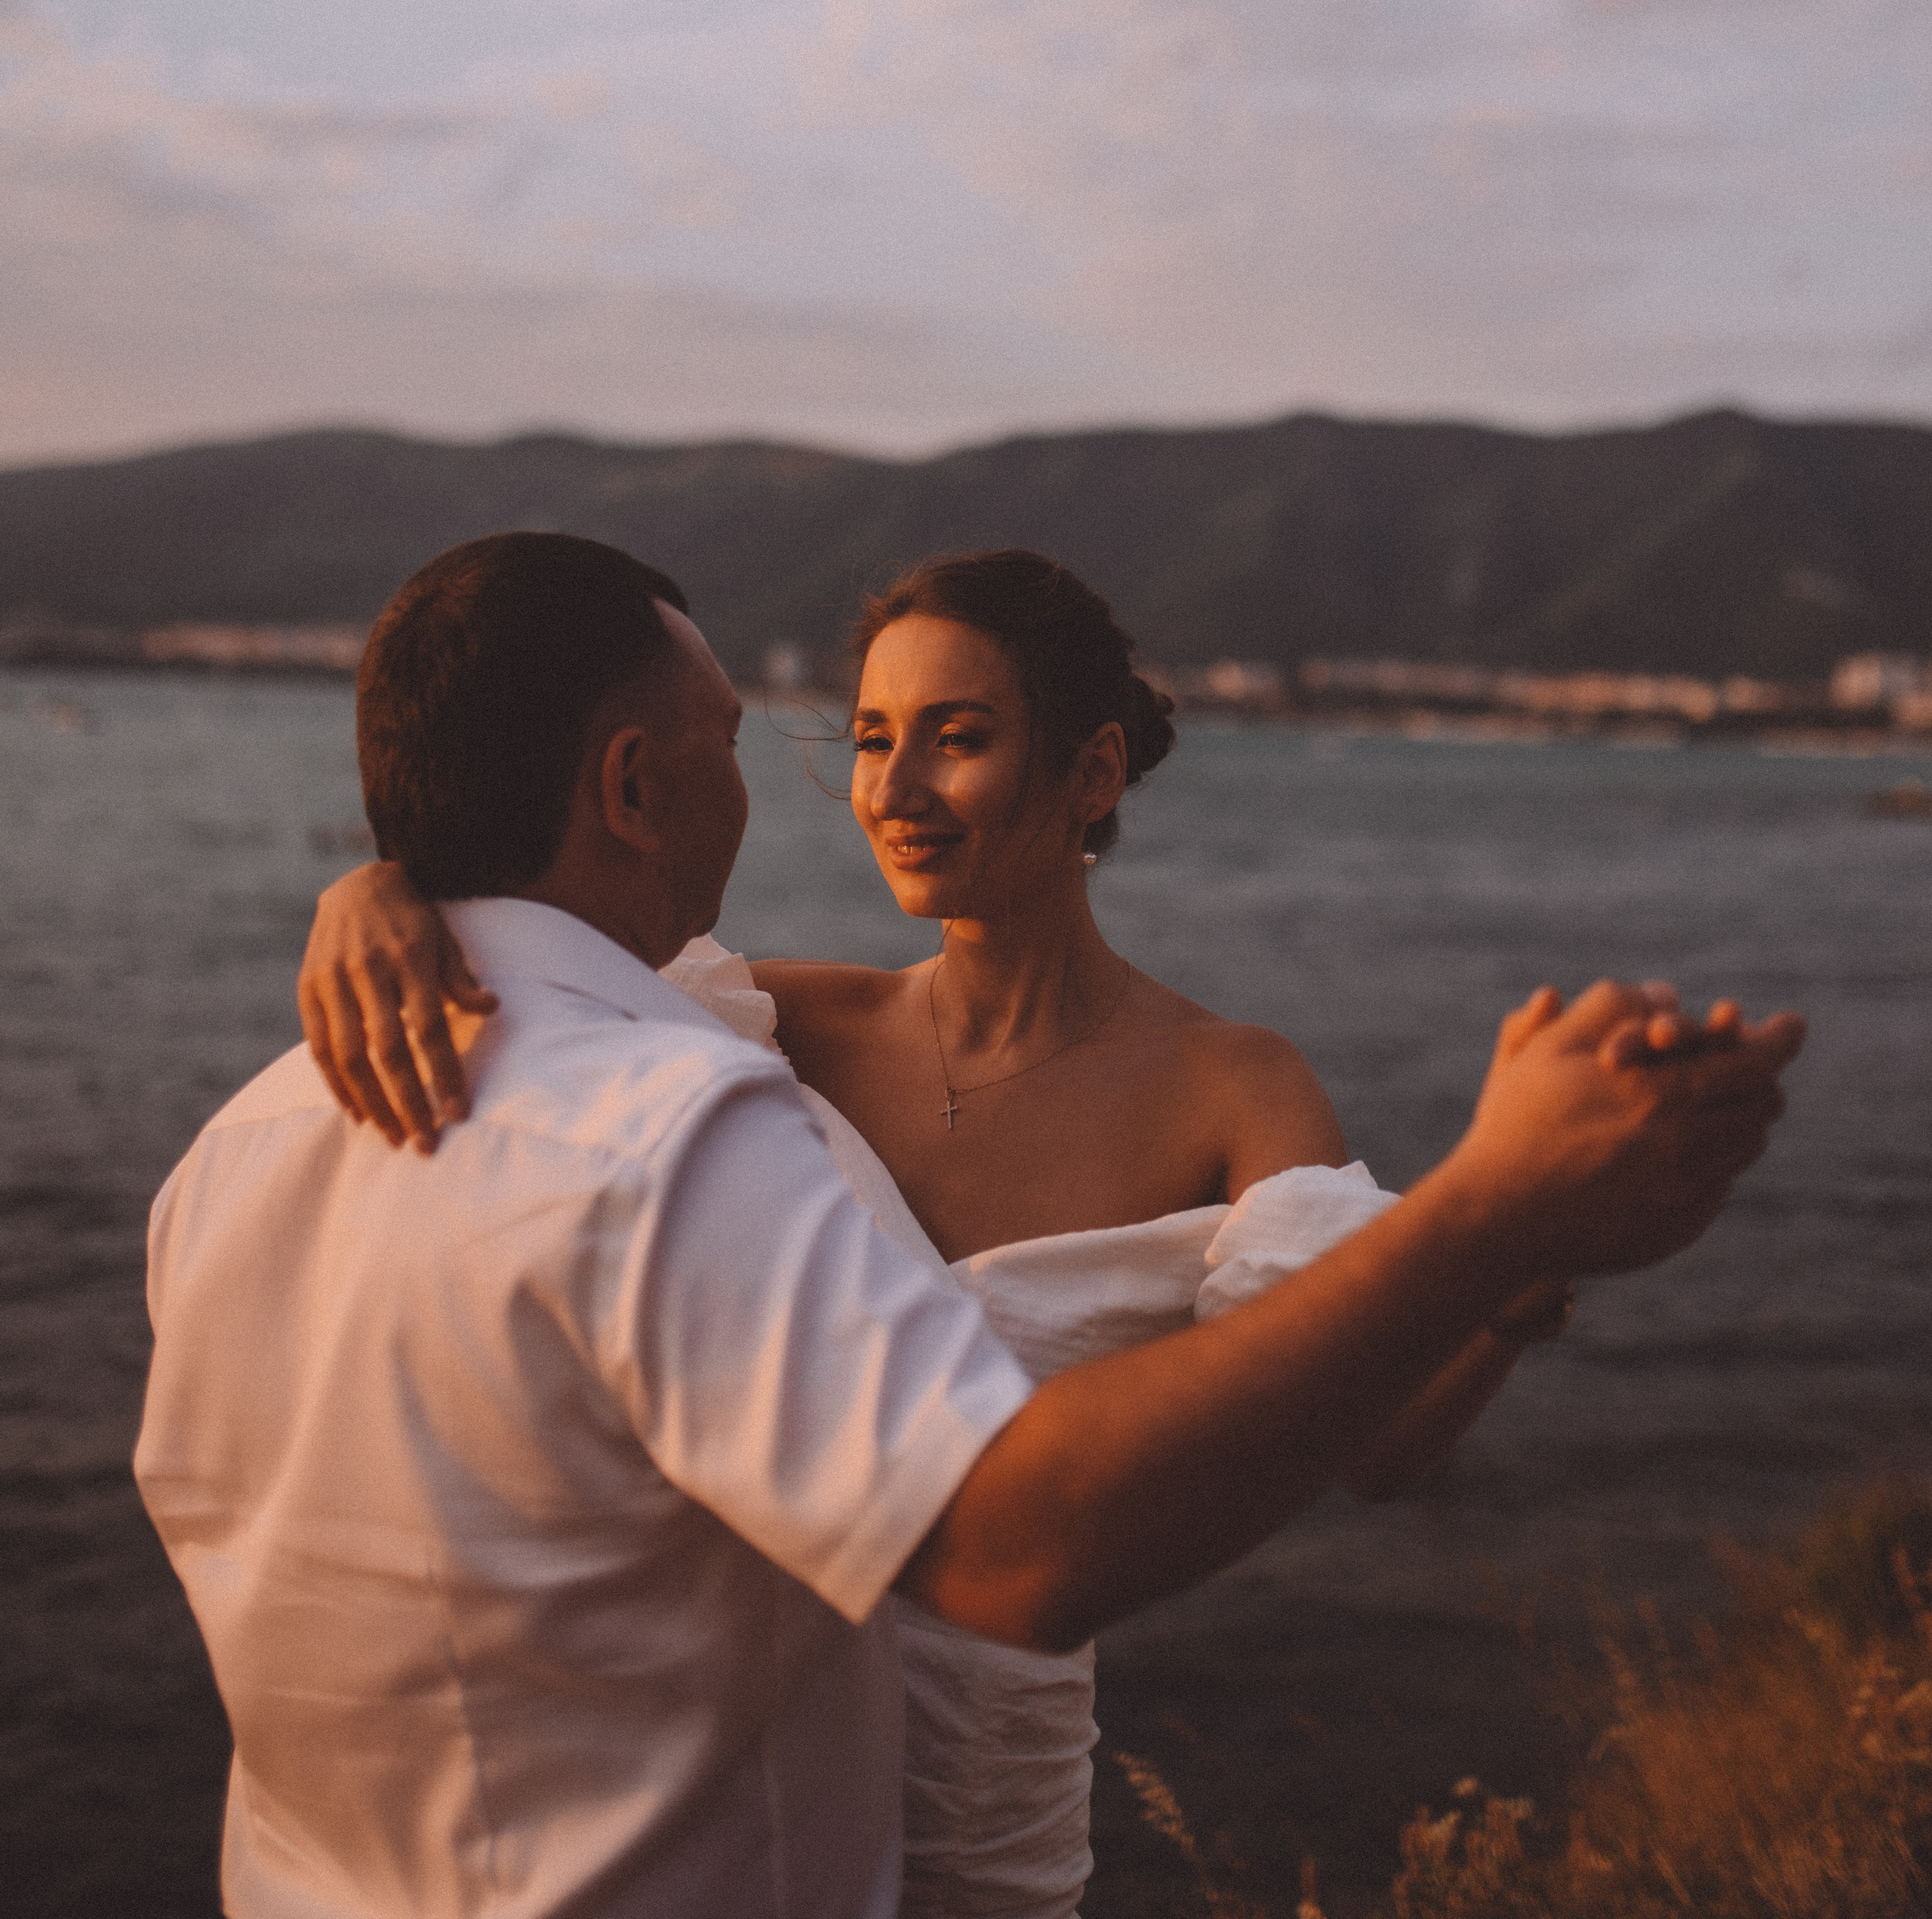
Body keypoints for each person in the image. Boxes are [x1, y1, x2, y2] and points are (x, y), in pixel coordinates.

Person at [297, 544, 1804, 1919]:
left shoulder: (1229, 1084)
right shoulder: (772, 1024)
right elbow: (542, 952)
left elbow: (1378, 1442)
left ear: (1090, 773)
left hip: (981, 1823)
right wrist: (381, 892)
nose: (893, 788)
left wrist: (1533, 1247)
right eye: (870, 738)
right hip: (729, 1803)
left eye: (954, 737)